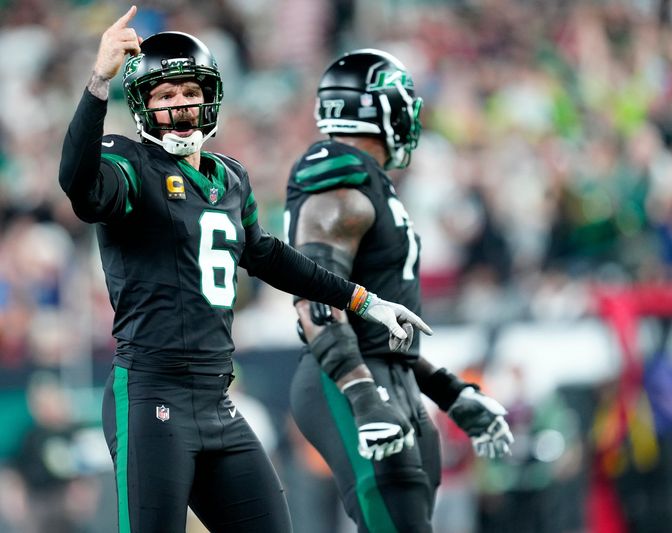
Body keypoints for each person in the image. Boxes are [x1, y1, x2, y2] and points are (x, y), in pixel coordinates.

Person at [57, 7, 432, 533]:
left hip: (216, 399)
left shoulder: (229, 177)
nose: (182, 105)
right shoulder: (128, 162)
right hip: (150, 394)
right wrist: (98, 83)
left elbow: (269, 256)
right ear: (142, 104)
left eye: (190, 91)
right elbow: (79, 184)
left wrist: (362, 299)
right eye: (165, 95)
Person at [286, 48, 515, 532]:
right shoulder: (338, 187)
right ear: (376, 108)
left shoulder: (372, 187)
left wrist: (453, 393)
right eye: (403, 101)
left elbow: (389, 333)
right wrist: (364, 397)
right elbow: (316, 299)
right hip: (351, 380)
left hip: (389, 377)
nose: (411, 113)